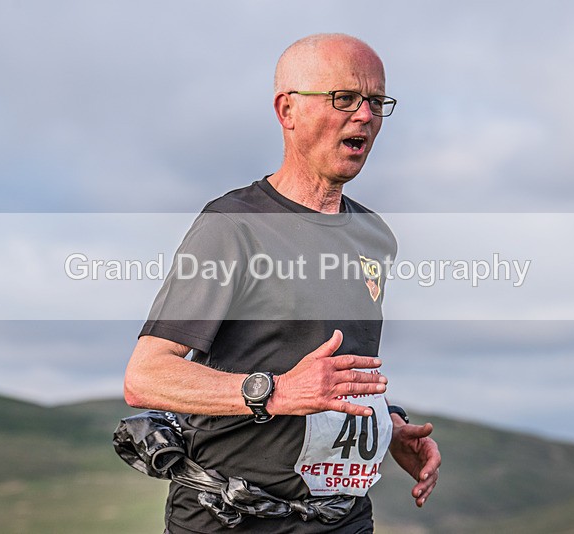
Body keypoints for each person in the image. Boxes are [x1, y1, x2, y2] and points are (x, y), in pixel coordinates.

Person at [124, 33, 441, 533]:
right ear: (287, 110)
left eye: (376, 101)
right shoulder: (234, 224)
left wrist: (388, 427)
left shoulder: (375, 235)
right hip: (231, 518)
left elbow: (332, 368)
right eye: (344, 99)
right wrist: (273, 391)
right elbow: (146, 377)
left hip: (343, 519)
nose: (364, 115)